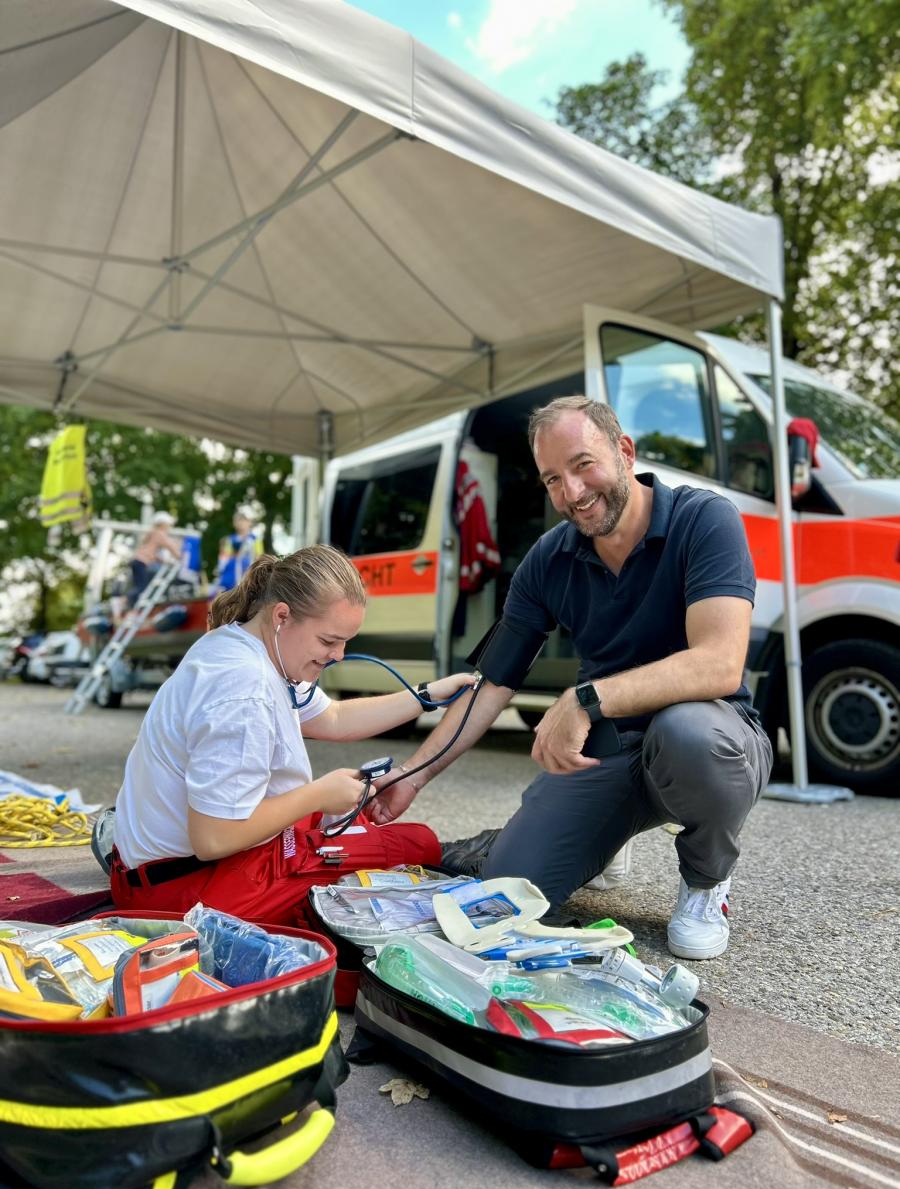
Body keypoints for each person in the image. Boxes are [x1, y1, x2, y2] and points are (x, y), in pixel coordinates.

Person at [367, 396, 774, 961]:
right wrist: (412, 776)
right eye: (553, 479)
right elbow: (491, 686)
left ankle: (706, 882)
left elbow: (718, 662)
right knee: (507, 891)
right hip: (610, 750)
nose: (573, 493)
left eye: (584, 465)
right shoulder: (547, 560)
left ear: (624, 451)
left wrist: (587, 698)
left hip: (709, 739)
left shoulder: (704, 519)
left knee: (687, 735)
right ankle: (601, 834)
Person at [110, 545, 473, 925]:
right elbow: (213, 838)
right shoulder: (245, 689)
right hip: (179, 895)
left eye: (345, 642)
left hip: (153, 872)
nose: (338, 656)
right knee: (410, 844)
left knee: (344, 821)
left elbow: (333, 717)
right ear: (282, 615)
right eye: (329, 641)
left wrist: (426, 696)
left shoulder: (240, 644)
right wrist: (319, 793)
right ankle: (458, 857)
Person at [128, 512, 182, 606]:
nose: (169, 527)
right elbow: (170, 546)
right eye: (168, 525)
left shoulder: (152, 533)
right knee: (142, 587)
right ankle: (126, 602)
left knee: (139, 586)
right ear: (163, 524)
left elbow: (151, 553)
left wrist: (162, 560)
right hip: (141, 562)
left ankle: (127, 604)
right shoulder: (159, 534)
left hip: (137, 561)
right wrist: (182, 557)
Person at [213, 506, 262, 593]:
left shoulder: (255, 540)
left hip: (249, 579)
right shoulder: (229, 540)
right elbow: (223, 561)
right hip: (231, 582)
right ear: (234, 523)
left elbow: (259, 558)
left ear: (249, 522)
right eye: (239, 520)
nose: (241, 523)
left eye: (244, 520)